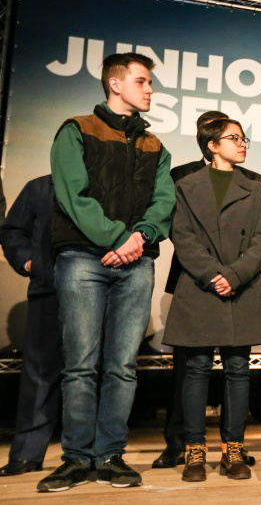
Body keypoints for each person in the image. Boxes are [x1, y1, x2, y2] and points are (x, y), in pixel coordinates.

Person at [40, 52, 176, 492]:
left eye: (150, 82)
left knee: (122, 365)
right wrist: (118, 237)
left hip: (136, 263)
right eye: (142, 81)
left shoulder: (156, 145)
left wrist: (141, 236)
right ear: (115, 84)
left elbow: (164, 201)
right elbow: (71, 194)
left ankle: (110, 455)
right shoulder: (76, 129)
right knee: (80, 365)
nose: (150, 89)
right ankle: (77, 458)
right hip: (83, 258)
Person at [162, 118, 261, 482]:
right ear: (212, 145)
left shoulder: (255, 186)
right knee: (195, 369)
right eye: (234, 138)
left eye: (244, 138)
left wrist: (234, 275)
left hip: (240, 287)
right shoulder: (186, 185)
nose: (243, 144)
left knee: (238, 370)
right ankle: (194, 450)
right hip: (201, 286)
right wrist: (213, 274)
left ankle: (234, 448)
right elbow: (181, 235)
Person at [0, 176, 61, 477]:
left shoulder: (105, 186)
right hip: (48, 289)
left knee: (93, 373)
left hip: (98, 292)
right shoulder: (39, 187)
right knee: (39, 373)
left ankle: (91, 453)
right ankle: (27, 454)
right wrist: (29, 263)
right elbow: (13, 230)